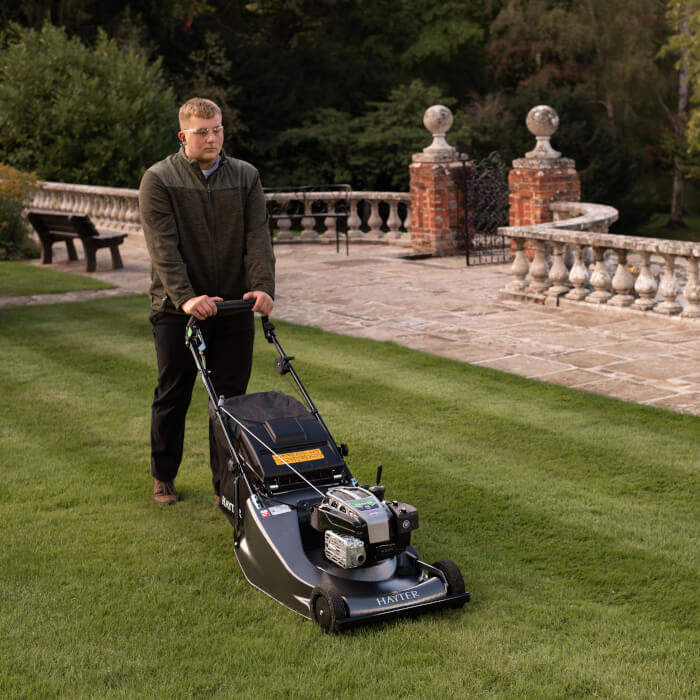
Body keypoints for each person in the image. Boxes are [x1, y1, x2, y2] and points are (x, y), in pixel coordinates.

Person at [139, 97, 275, 505]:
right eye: (203, 132)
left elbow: (258, 237)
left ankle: (227, 487)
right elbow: (163, 248)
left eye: (217, 129)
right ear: (183, 136)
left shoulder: (245, 176)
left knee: (230, 401)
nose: (212, 138)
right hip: (175, 309)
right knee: (173, 393)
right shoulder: (159, 179)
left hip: (233, 306)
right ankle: (164, 475)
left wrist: (263, 286)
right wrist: (185, 298)